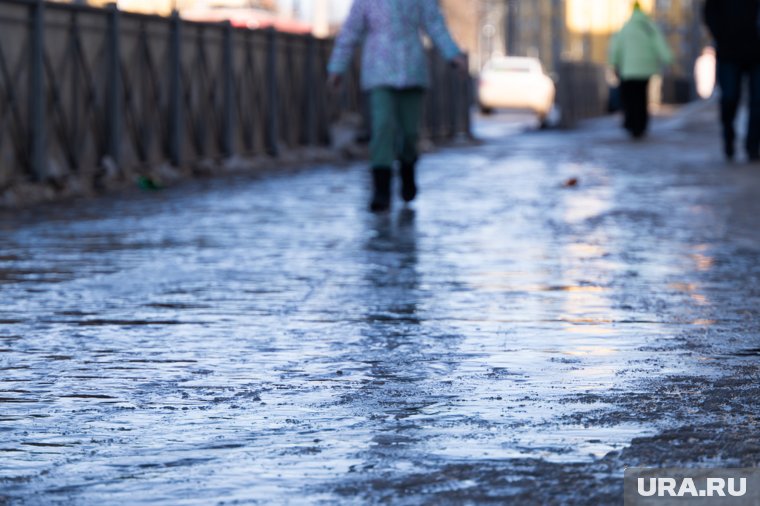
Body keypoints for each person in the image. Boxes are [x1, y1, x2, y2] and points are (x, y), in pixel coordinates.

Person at [327, 0, 466, 212]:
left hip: (412, 70)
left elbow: (435, 24)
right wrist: (337, 67)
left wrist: (452, 54)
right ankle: (381, 190)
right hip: (378, 71)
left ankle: (407, 169)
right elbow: (351, 30)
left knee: (410, 132)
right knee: (383, 127)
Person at [703, 0, 760, 161]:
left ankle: (753, 147)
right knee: (729, 97)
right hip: (729, 52)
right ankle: (728, 137)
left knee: (758, 102)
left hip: (757, 53)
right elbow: (709, 11)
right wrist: (720, 35)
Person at [609, 1, 673, 139]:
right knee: (642, 98)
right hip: (645, 69)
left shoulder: (626, 27)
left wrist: (614, 63)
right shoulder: (649, 27)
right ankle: (641, 126)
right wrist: (669, 59)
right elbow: (660, 44)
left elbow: (616, 47)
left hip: (628, 70)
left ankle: (631, 124)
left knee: (630, 98)